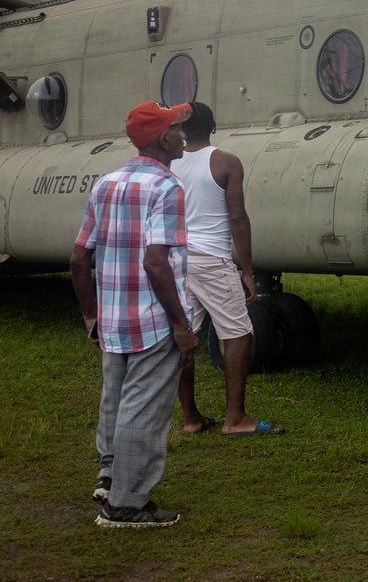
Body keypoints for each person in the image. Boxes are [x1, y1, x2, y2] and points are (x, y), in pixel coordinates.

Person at [70, 100, 197, 527]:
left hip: (113, 318)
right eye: (178, 128)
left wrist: (91, 315)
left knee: (116, 399)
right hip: (153, 319)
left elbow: (77, 257)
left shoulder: (105, 184)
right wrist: (182, 326)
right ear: (164, 139)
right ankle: (125, 504)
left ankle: (109, 475)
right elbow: (156, 262)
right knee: (144, 408)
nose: (183, 134)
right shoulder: (168, 188)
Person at [171, 102, 284, 437]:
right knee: (238, 334)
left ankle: (191, 417)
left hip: (178, 258)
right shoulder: (225, 162)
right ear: (213, 125)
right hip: (211, 259)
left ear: (180, 129)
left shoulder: (169, 163)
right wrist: (247, 270)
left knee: (183, 337)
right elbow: (237, 218)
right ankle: (235, 419)